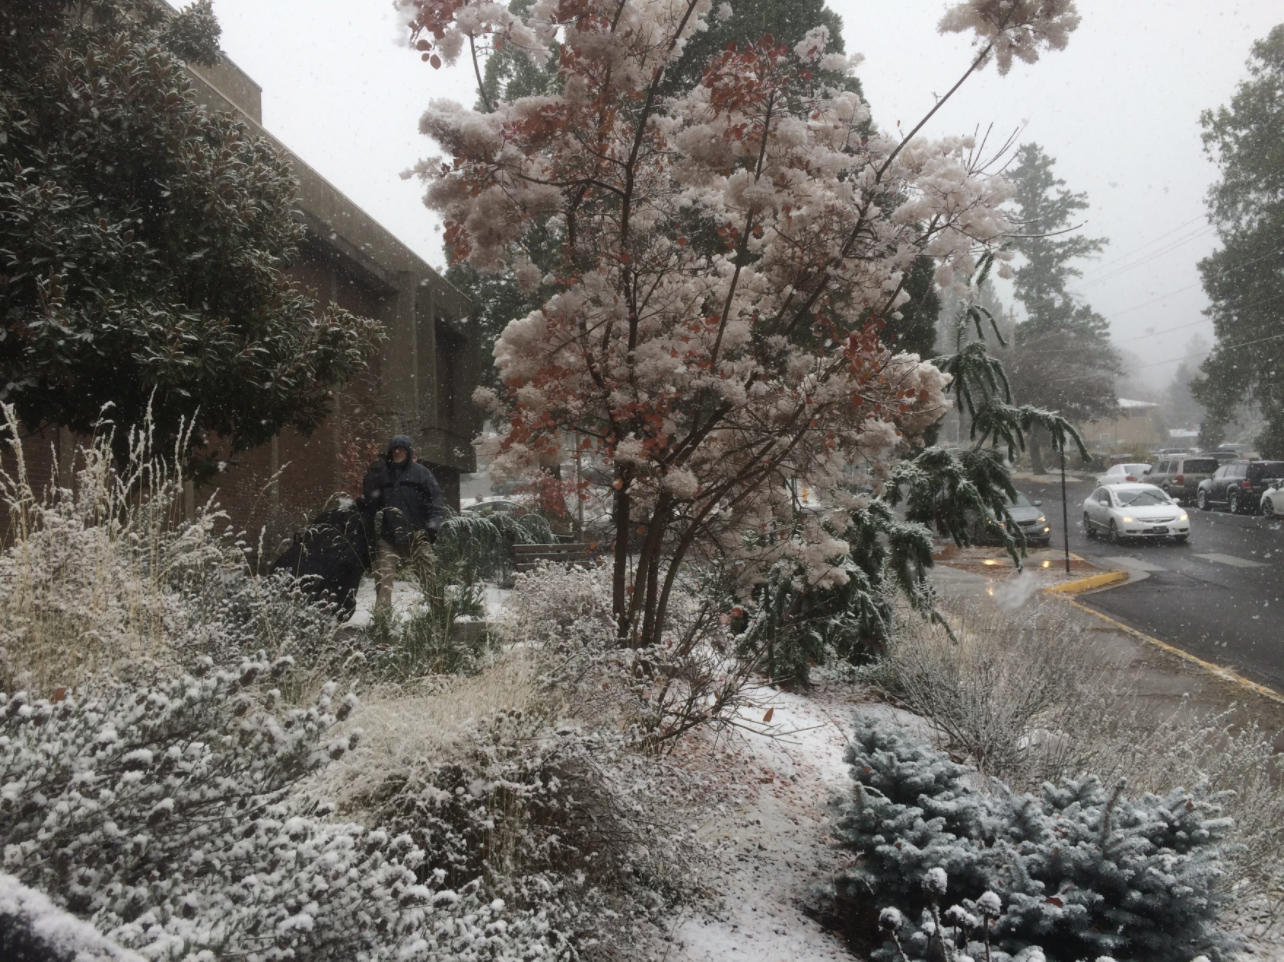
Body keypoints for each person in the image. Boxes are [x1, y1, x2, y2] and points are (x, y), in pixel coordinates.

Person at [361, 434, 446, 609]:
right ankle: (383, 623)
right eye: (394, 449)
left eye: (402, 449)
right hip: (389, 535)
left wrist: (433, 526)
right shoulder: (383, 475)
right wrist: (369, 484)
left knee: (429, 577)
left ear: (408, 452)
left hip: (416, 533)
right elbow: (372, 502)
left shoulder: (421, 473)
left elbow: (435, 501)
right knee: (383, 580)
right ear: (390, 452)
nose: (398, 452)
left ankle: (439, 615)